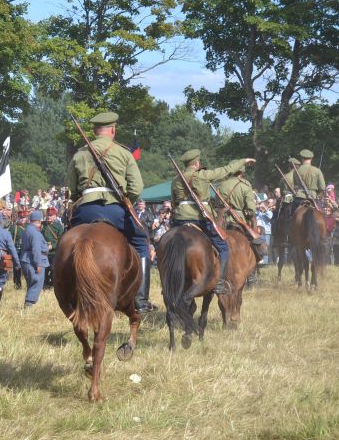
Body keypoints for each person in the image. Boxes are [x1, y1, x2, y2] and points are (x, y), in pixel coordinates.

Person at [66, 112, 152, 312]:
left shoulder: (80, 154)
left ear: (95, 131)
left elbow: (70, 186)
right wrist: (127, 199)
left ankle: (67, 291)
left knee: (68, 243)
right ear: (113, 130)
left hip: (86, 210)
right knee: (141, 242)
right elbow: (137, 187)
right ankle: (140, 299)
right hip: (115, 209)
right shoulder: (123, 153)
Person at [171, 150, 255, 294]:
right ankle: (220, 282)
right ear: (197, 163)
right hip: (199, 219)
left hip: (180, 219)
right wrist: (243, 160)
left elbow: (174, 202)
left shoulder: (176, 180)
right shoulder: (203, 175)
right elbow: (226, 170)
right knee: (223, 247)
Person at [20, 210, 49, 307]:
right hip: (34, 260)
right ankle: (29, 304)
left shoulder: (26, 230)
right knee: (37, 282)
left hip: (26, 259)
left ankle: (28, 303)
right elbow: (36, 249)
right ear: (39, 221)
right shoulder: (35, 233)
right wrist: (38, 264)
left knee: (31, 283)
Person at [40, 206, 64, 289]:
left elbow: (61, 241)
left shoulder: (59, 227)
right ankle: (45, 284)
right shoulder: (42, 225)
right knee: (45, 269)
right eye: (48, 215)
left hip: (54, 252)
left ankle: (54, 284)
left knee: (53, 269)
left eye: (50, 215)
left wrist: (51, 246)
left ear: (55, 216)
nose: (48, 217)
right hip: (43, 251)